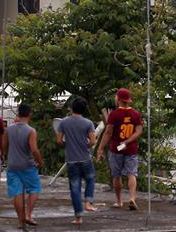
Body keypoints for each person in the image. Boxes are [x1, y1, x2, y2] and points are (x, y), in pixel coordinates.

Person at [96, 88, 143, 210]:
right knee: (132, 174)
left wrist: (100, 148)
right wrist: (128, 141)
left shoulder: (114, 114)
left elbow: (108, 133)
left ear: (118, 99)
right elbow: (139, 131)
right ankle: (132, 198)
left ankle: (119, 201)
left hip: (116, 149)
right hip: (131, 148)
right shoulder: (135, 114)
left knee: (116, 175)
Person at [57, 97, 98, 225]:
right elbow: (92, 141)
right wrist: (84, 146)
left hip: (71, 160)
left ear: (71, 108)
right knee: (91, 178)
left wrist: (67, 145)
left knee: (75, 188)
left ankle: (78, 218)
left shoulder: (63, 122)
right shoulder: (88, 123)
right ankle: (88, 202)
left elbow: (59, 141)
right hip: (85, 158)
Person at [2, 103, 43, 227]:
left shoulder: (9, 129)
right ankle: (28, 215)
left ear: (18, 113)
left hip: (13, 165)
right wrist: (39, 161)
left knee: (17, 192)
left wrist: (6, 156)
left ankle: (20, 220)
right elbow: (34, 149)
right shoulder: (31, 130)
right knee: (35, 188)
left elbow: (4, 146)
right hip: (28, 165)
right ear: (29, 114)